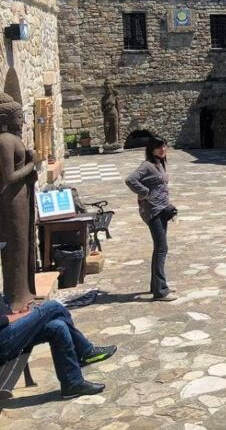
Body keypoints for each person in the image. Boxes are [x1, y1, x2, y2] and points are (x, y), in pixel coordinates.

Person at [0, 254, 117, 399]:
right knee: (53, 307)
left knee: (57, 326)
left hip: (8, 333)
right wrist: (20, 317)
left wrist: (17, 312)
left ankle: (72, 384)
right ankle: (85, 352)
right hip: (4, 341)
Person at [126, 136, 178, 302]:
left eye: (164, 147)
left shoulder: (159, 164)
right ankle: (160, 291)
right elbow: (130, 180)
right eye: (159, 147)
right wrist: (146, 193)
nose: (162, 150)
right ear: (151, 149)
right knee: (162, 248)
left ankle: (156, 285)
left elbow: (161, 187)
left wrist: (168, 205)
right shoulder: (147, 165)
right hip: (153, 212)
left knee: (160, 248)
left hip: (162, 210)